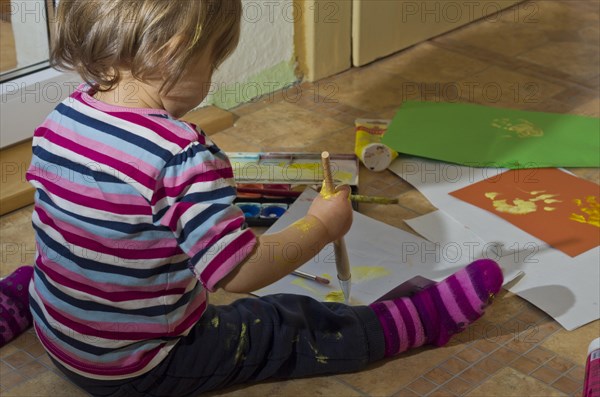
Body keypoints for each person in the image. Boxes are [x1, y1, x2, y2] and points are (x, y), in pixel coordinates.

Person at [25, 1, 504, 396]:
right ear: (171, 52)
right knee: (279, 325)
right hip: (143, 365)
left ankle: (15, 298)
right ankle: (414, 321)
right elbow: (240, 275)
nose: (213, 74)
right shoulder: (181, 155)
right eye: (213, 58)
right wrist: (321, 226)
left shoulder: (60, 118)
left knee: (64, 256)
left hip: (60, 335)